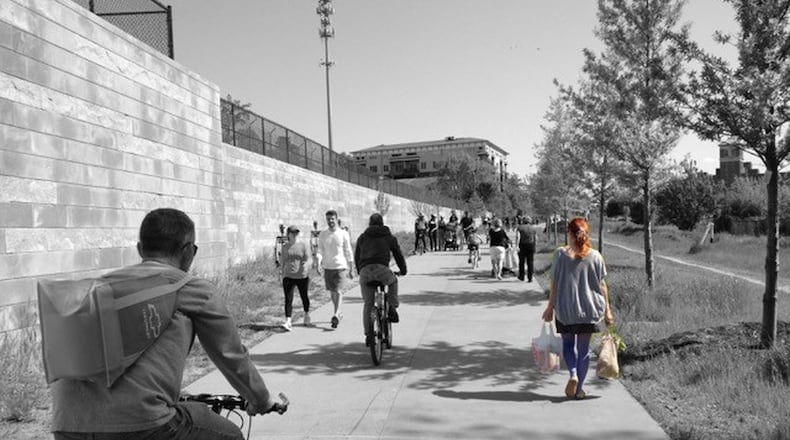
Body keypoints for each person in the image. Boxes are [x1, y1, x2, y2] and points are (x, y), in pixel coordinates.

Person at [51, 208, 284, 440]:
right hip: (143, 425)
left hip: (68, 425)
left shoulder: (97, 289)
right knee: (229, 435)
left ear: (140, 249)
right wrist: (261, 400)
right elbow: (230, 354)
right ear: (189, 251)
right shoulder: (191, 289)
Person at [541, 217, 614, 400]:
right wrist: (608, 310)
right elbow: (602, 285)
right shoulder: (596, 256)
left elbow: (554, 283)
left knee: (568, 344)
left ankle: (572, 373)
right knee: (583, 349)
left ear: (569, 234)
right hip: (590, 310)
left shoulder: (560, 254)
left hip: (566, 309)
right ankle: (580, 389)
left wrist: (550, 307)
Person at [354, 213, 408, 346]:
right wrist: (403, 270)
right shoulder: (388, 236)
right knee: (393, 281)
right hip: (381, 269)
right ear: (382, 223)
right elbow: (398, 254)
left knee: (368, 304)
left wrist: (359, 271)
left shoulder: (362, 237)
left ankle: (368, 335)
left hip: (365, 271)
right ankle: (392, 307)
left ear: (369, 224)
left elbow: (357, 256)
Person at [316, 209, 355, 328]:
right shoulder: (323, 234)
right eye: (328, 219)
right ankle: (338, 312)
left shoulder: (343, 233)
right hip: (328, 267)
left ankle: (336, 314)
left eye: (332, 219)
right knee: (332, 292)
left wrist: (351, 267)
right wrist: (318, 263)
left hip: (340, 266)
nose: (330, 221)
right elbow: (320, 250)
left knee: (338, 290)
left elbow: (348, 251)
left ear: (337, 219)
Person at [279, 225, 312, 331]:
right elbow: (283, 261)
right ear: (288, 234)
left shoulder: (303, 245)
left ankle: (306, 314)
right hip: (288, 275)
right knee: (288, 299)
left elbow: (308, 259)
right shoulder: (285, 247)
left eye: (296, 232)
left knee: (304, 296)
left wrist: (306, 266)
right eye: (292, 233)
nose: (295, 234)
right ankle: (288, 321)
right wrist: (281, 273)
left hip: (301, 275)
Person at [515, 216, 538, 282]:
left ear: (523, 221)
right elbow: (536, 238)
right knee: (530, 262)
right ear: (530, 221)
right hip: (531, 245)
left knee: (521, 261)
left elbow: (518, 237)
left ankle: (521, 276)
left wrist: (517, 245)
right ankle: (530, 277)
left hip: (522, 245)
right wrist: (535, 246)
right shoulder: (533, 228)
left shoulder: (520, 227)